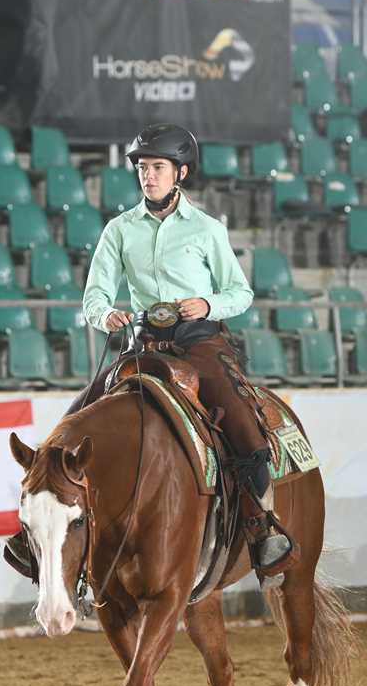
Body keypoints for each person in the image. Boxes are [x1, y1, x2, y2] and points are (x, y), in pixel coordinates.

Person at [76, 123, 293, 579]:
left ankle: (261, 526)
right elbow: (94, 294)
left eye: (158, 167)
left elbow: (241, 292)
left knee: (239, 416)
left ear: (181, 173)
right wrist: (105, 314)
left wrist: (208, 304)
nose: (148, 175)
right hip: (141, 344)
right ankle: (43, 526)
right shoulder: (119, 230)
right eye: (142, 167)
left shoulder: (207, 229)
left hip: (198, 339)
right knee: (78, 416)